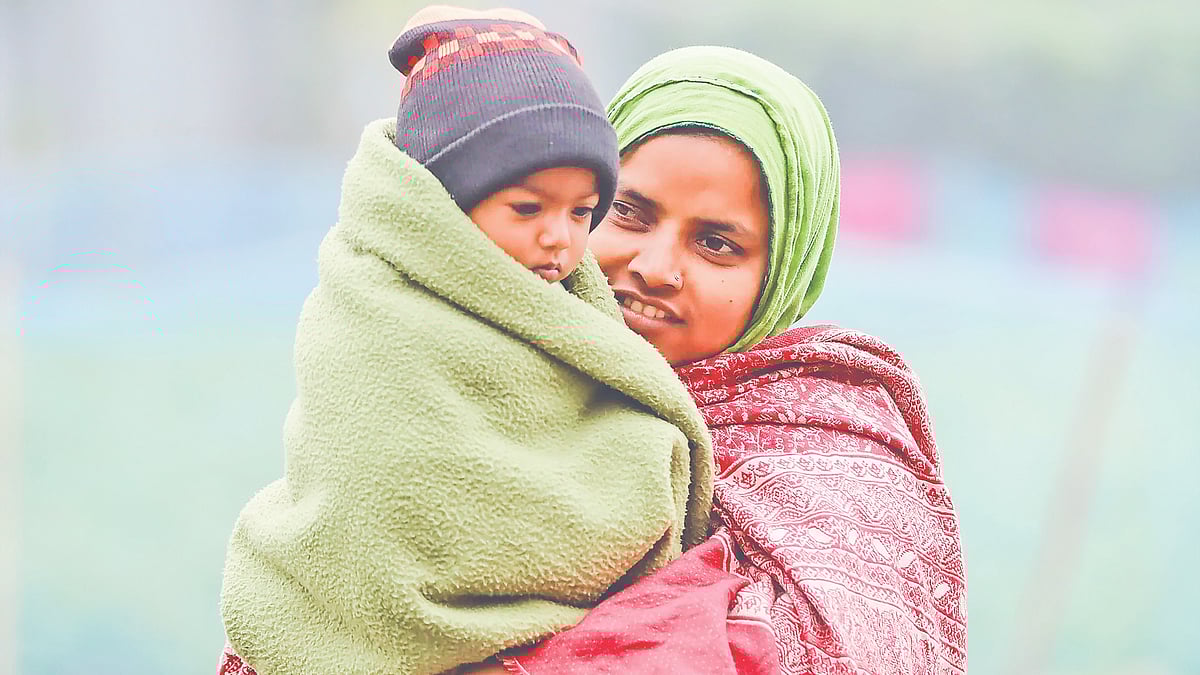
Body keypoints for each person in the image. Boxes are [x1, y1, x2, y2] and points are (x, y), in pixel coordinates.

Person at [216, 9, 715, 675]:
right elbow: (383, 489)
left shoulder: (564, 300)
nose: (560, 241)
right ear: (448, 200)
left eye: (581, 211)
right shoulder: (376, 313)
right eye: (528, 208)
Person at [502, 46, 968, 675]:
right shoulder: (485, 369)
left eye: (716, 244)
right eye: (629, 213)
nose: (654, 267)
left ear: (782, 273)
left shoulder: (832, 460)